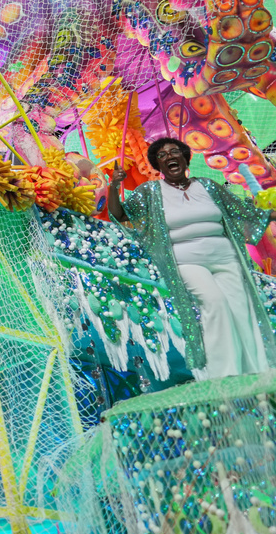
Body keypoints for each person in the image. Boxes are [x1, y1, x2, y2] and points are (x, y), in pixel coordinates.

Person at [108, 137, 276, 378]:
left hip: (226, 258)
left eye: (174, 151)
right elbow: (120, 214)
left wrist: (271, 214)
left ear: (185, 159)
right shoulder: (150, 192)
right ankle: (225, 375)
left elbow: (243, 211)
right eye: (162, 155)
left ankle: (257, 374)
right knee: (215, 302)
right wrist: (114, 186)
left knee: (241, 308)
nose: (169, 156)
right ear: (158, 166)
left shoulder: (208, 186)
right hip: (186, 261)